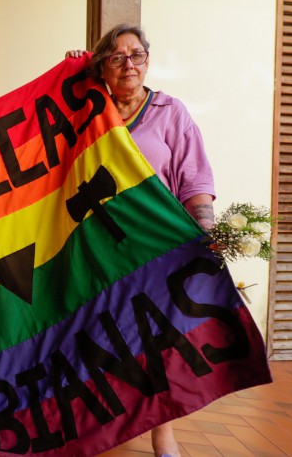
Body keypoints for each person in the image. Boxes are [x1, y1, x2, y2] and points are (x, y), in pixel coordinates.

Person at [67, 24, 215, 457]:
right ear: (103, 68)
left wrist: (205, 237)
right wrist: (71, 74)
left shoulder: (171, 112)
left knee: (157, 344)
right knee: (93, 337)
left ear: (147, 59)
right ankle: (93, 427)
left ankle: (163, 433)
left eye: (136, 55)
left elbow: (194, 179)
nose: (128, 64)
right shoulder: (88, 111)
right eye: (115, 57)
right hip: (95, 248)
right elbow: (47, 137)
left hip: (156, 248)